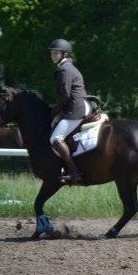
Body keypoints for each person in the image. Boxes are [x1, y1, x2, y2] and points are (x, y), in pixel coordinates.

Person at [49, 38, 90, 184]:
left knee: (56, 139)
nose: (52, 55)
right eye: (52, 53)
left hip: (74, 108)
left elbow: (64, 95)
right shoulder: (69, 67)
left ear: (64, 54)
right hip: (79, 105)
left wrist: (54, 110)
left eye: (55, 53)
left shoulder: (64, 69)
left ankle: (74, 172)